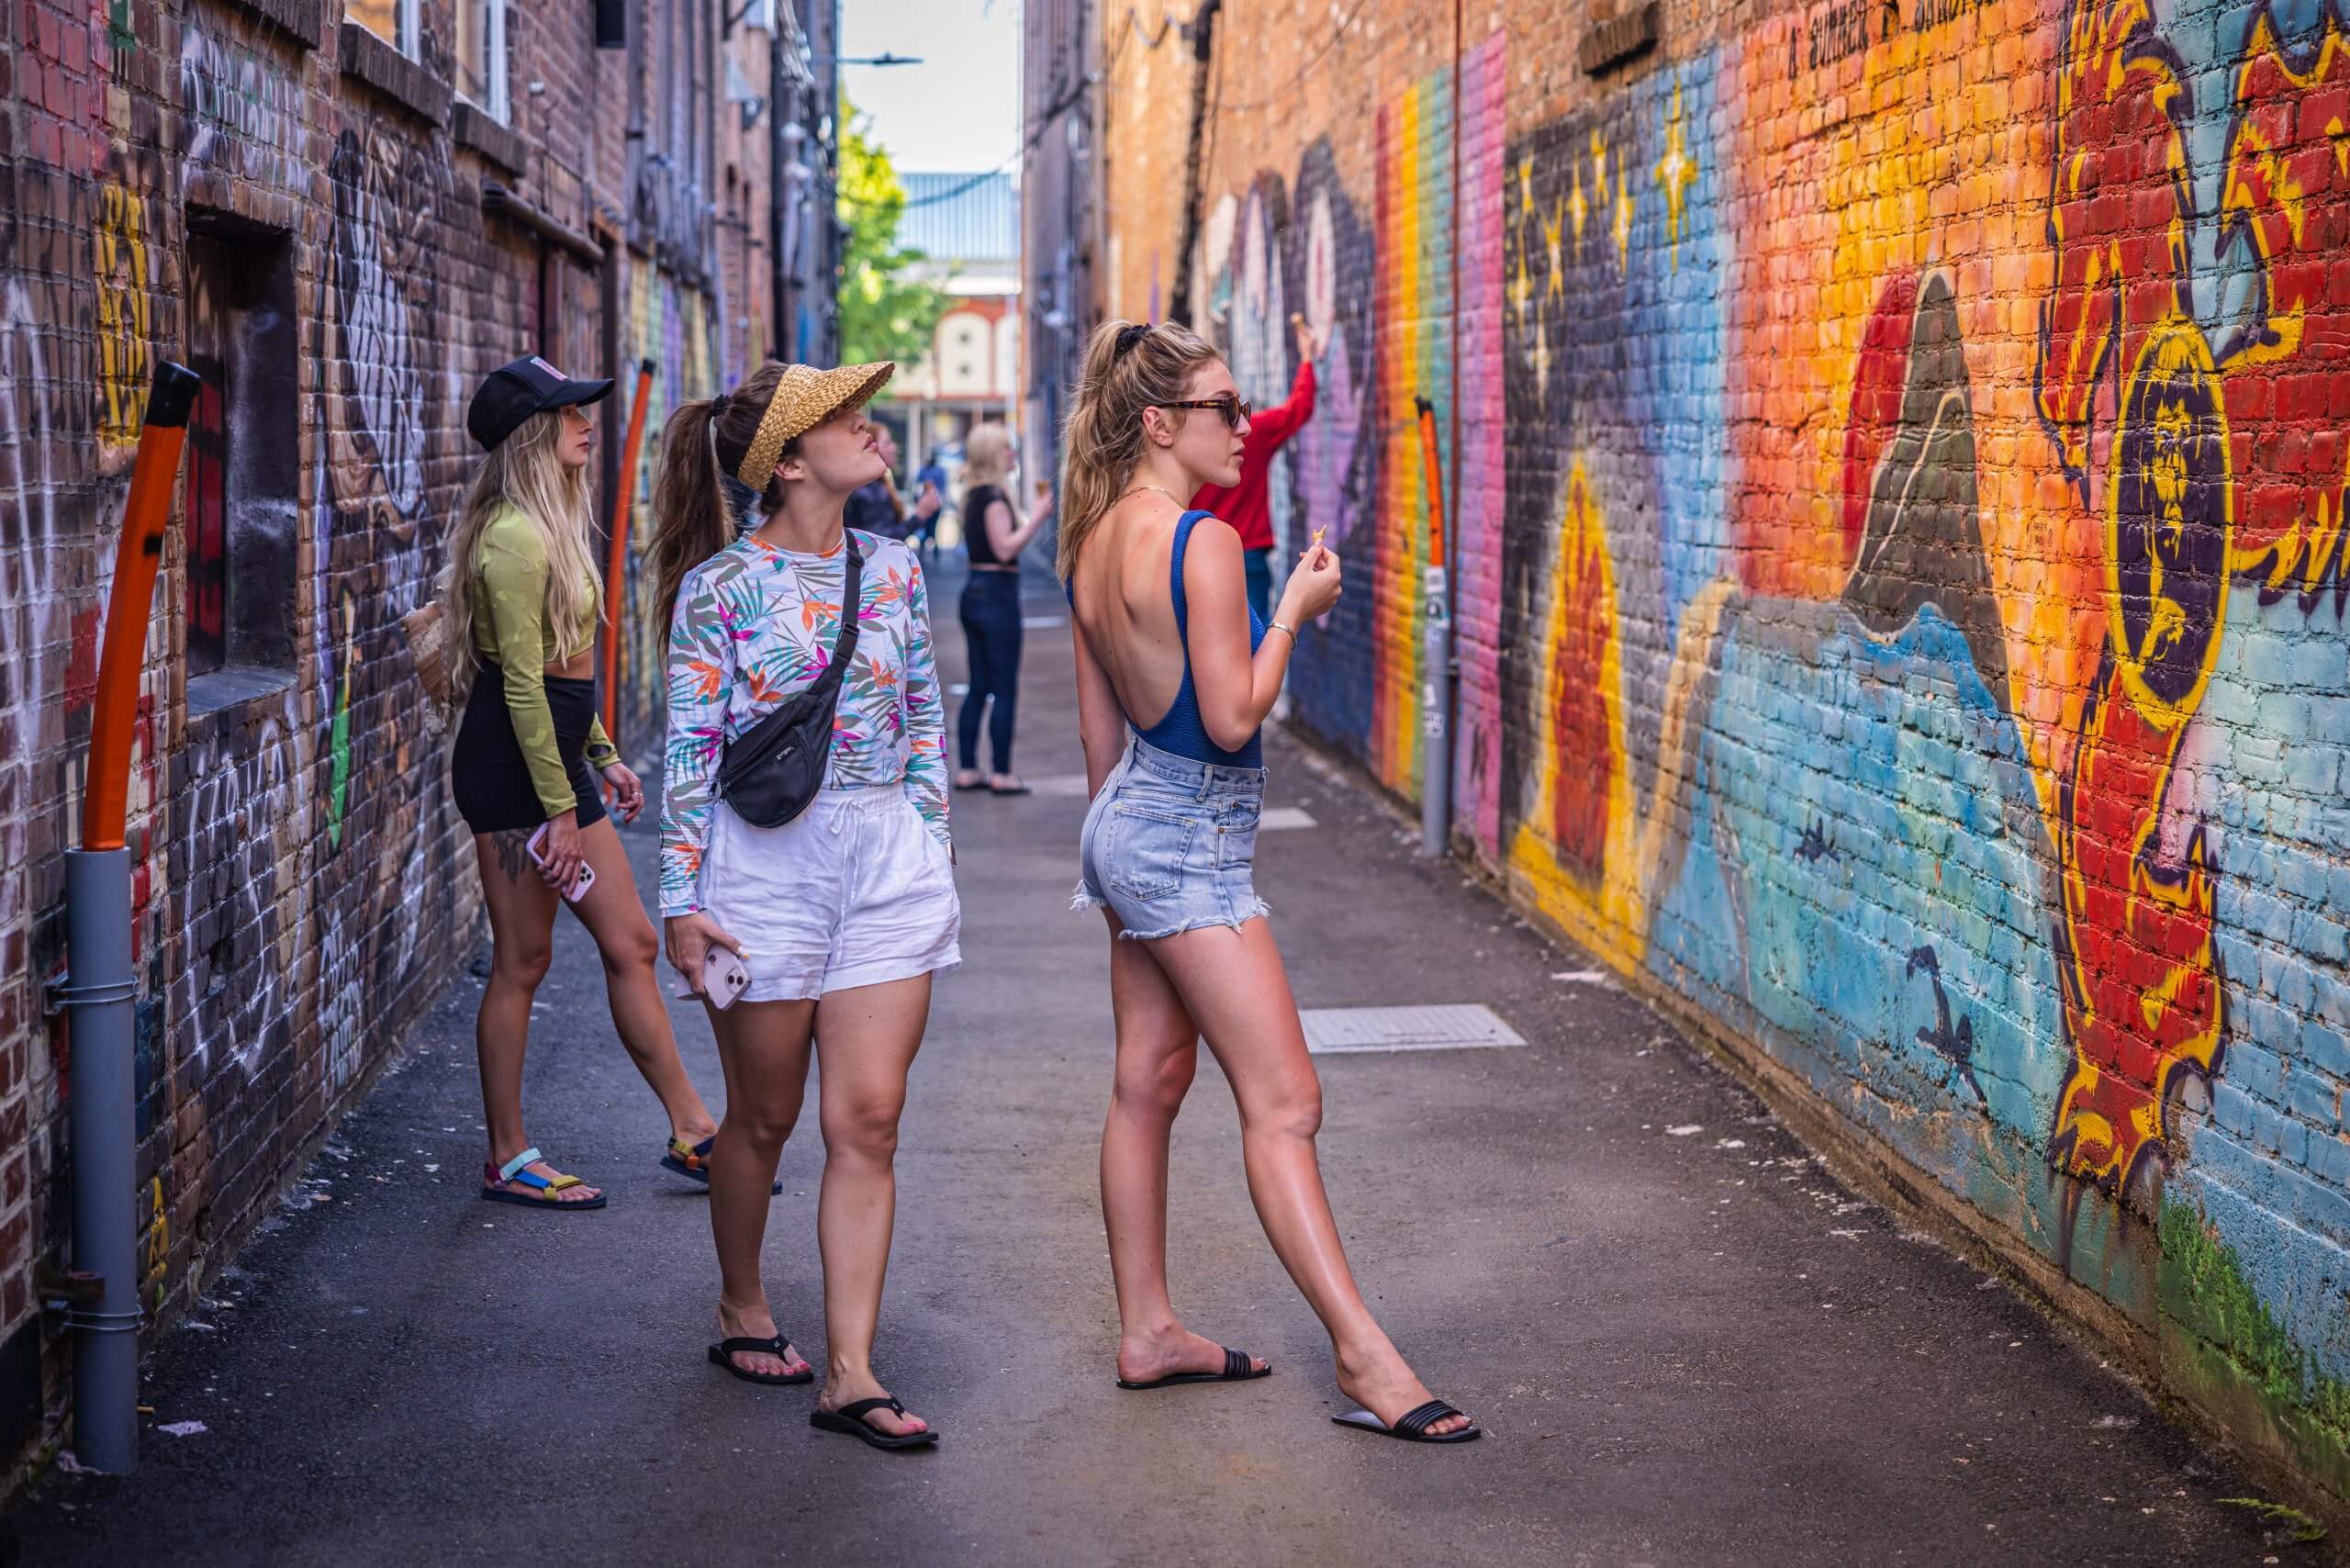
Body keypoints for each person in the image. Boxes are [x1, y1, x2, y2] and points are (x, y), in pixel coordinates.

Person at [1058, 319, 1480, 1444]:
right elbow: (1237, 711)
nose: (1246, 427)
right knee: (1287, 1102)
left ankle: (1149, 1330)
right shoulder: (1193, 541)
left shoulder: (1093, 536)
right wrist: (1292, 610)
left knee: (1146, 1079)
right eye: (1224, 409)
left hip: (1130, 824)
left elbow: (1102, 736)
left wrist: (1112, 871)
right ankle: (1364, 1357)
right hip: (1186, 840)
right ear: (1160, 423)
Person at [648, 358, 957, 1451]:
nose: (870, 429)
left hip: (884, 860)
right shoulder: (721, 588)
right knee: (767, 1117)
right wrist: (680, 903)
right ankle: (741, 1302)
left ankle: (854, 1371)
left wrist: (928, 837)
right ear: (787, 461)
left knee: (865, 1117)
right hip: (763, 867)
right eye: (844, 419)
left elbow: (923, 711)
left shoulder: (895, 568)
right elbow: (687, 750)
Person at [441, 354, 725, 1210]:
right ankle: (509, 1156)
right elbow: (521, 686)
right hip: (513, 771)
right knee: (522, 962)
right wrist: (561, 809)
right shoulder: (512, 539)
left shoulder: (549, 522)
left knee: (632, 941)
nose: (585, 423)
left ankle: (695, 1132)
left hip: (556, 763)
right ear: (532, 433)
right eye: (569, 413)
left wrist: (601, 754)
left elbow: (565, 676)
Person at [1192, 312, 1326, 622]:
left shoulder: (1189, 448)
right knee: (1254, 644)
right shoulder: (1258, 430)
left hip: (1201, 555)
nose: (1242, 428)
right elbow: (1298, 409)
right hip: (1246, 553)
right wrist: (1306, 359)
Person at [951, 422, 1052, 796]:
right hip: (996, 594)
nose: (1013, 455)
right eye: (1007, 449)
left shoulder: (974, 495)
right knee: (1003, 688)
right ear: (995, 455)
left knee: (979, 686)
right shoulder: (994, 496)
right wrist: (1039, 515)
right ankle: (1002, 772)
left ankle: (967, 769)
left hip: (975, 592)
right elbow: (1005, 548)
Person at [844, 423, 909, 540]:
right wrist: (920, 516)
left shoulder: (877, 484)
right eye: (887, 443)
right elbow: (880, 540)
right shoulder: (868, 490)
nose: (894, 448)